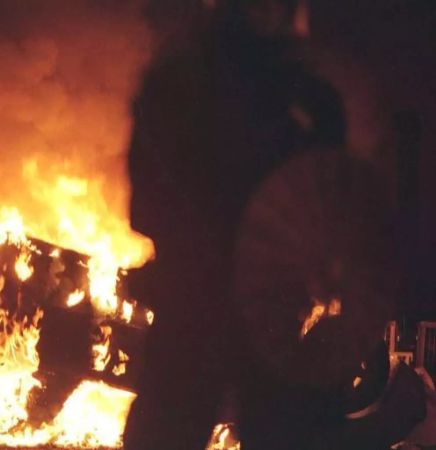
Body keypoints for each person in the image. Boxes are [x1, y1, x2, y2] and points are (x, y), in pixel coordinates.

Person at [125, 0, 346, 448]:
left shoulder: (176, 86)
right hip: (247, 311)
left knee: (172, 426)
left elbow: (145, 209)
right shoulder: (306, 106)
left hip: (210, 308)